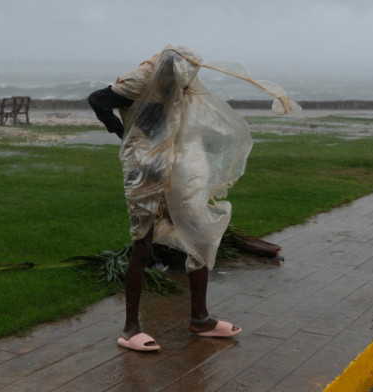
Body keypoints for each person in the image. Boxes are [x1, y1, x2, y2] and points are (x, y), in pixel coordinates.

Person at [88, 45, 259, 352]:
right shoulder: (138, 81)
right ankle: (130, 329)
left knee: (201, 234)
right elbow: (98, 100)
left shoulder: (185, 81)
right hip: (144, 163)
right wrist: (120, 130)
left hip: (177, 158)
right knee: (144, 240)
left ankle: (200, 319)